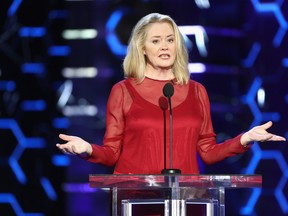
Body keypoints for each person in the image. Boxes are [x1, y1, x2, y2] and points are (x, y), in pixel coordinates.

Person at [56, 12, 285, 216]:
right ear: (142, 48)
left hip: (187, 203)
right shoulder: (123, 91)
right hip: (136, 203)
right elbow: (112, 153)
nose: (165, 46)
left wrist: (245, 138)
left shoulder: (196, 91)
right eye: (156, 41)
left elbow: (208, 151)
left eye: (170, 40)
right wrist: (87, 150)